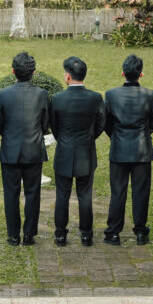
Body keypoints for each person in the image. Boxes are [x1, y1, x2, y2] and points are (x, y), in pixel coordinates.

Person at [0, 51, 51, 246]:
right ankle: (29, 234)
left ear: (13, 71)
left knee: (10, 194)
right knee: (32, 193)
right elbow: (45, 124)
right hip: (33, 149)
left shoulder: (3, 94)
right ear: (33, 72)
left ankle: (13, 235)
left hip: (10, 149)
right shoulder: (42, 95)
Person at [103, 54, 153, 246]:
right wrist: (143, 133)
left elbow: (106, 122)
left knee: (118, 192)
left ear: (123, 73)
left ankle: (113, 232)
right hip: (142, 149)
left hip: (119, 147)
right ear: (141, 74)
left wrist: (116, 136)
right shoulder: (150, 95)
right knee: (141, 192)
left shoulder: (111, 94)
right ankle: (141, 232)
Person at [49, 56, 105, 246]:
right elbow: (101, 123)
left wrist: (64, 139)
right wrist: (89, 138)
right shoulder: (95, 98)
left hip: (64, 151)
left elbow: (54, 126)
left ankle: (60, 234)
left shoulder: (57, 99)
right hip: (85, 153)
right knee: (85, 195)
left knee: (62, 195)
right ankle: (86, 235)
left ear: (67, 76)